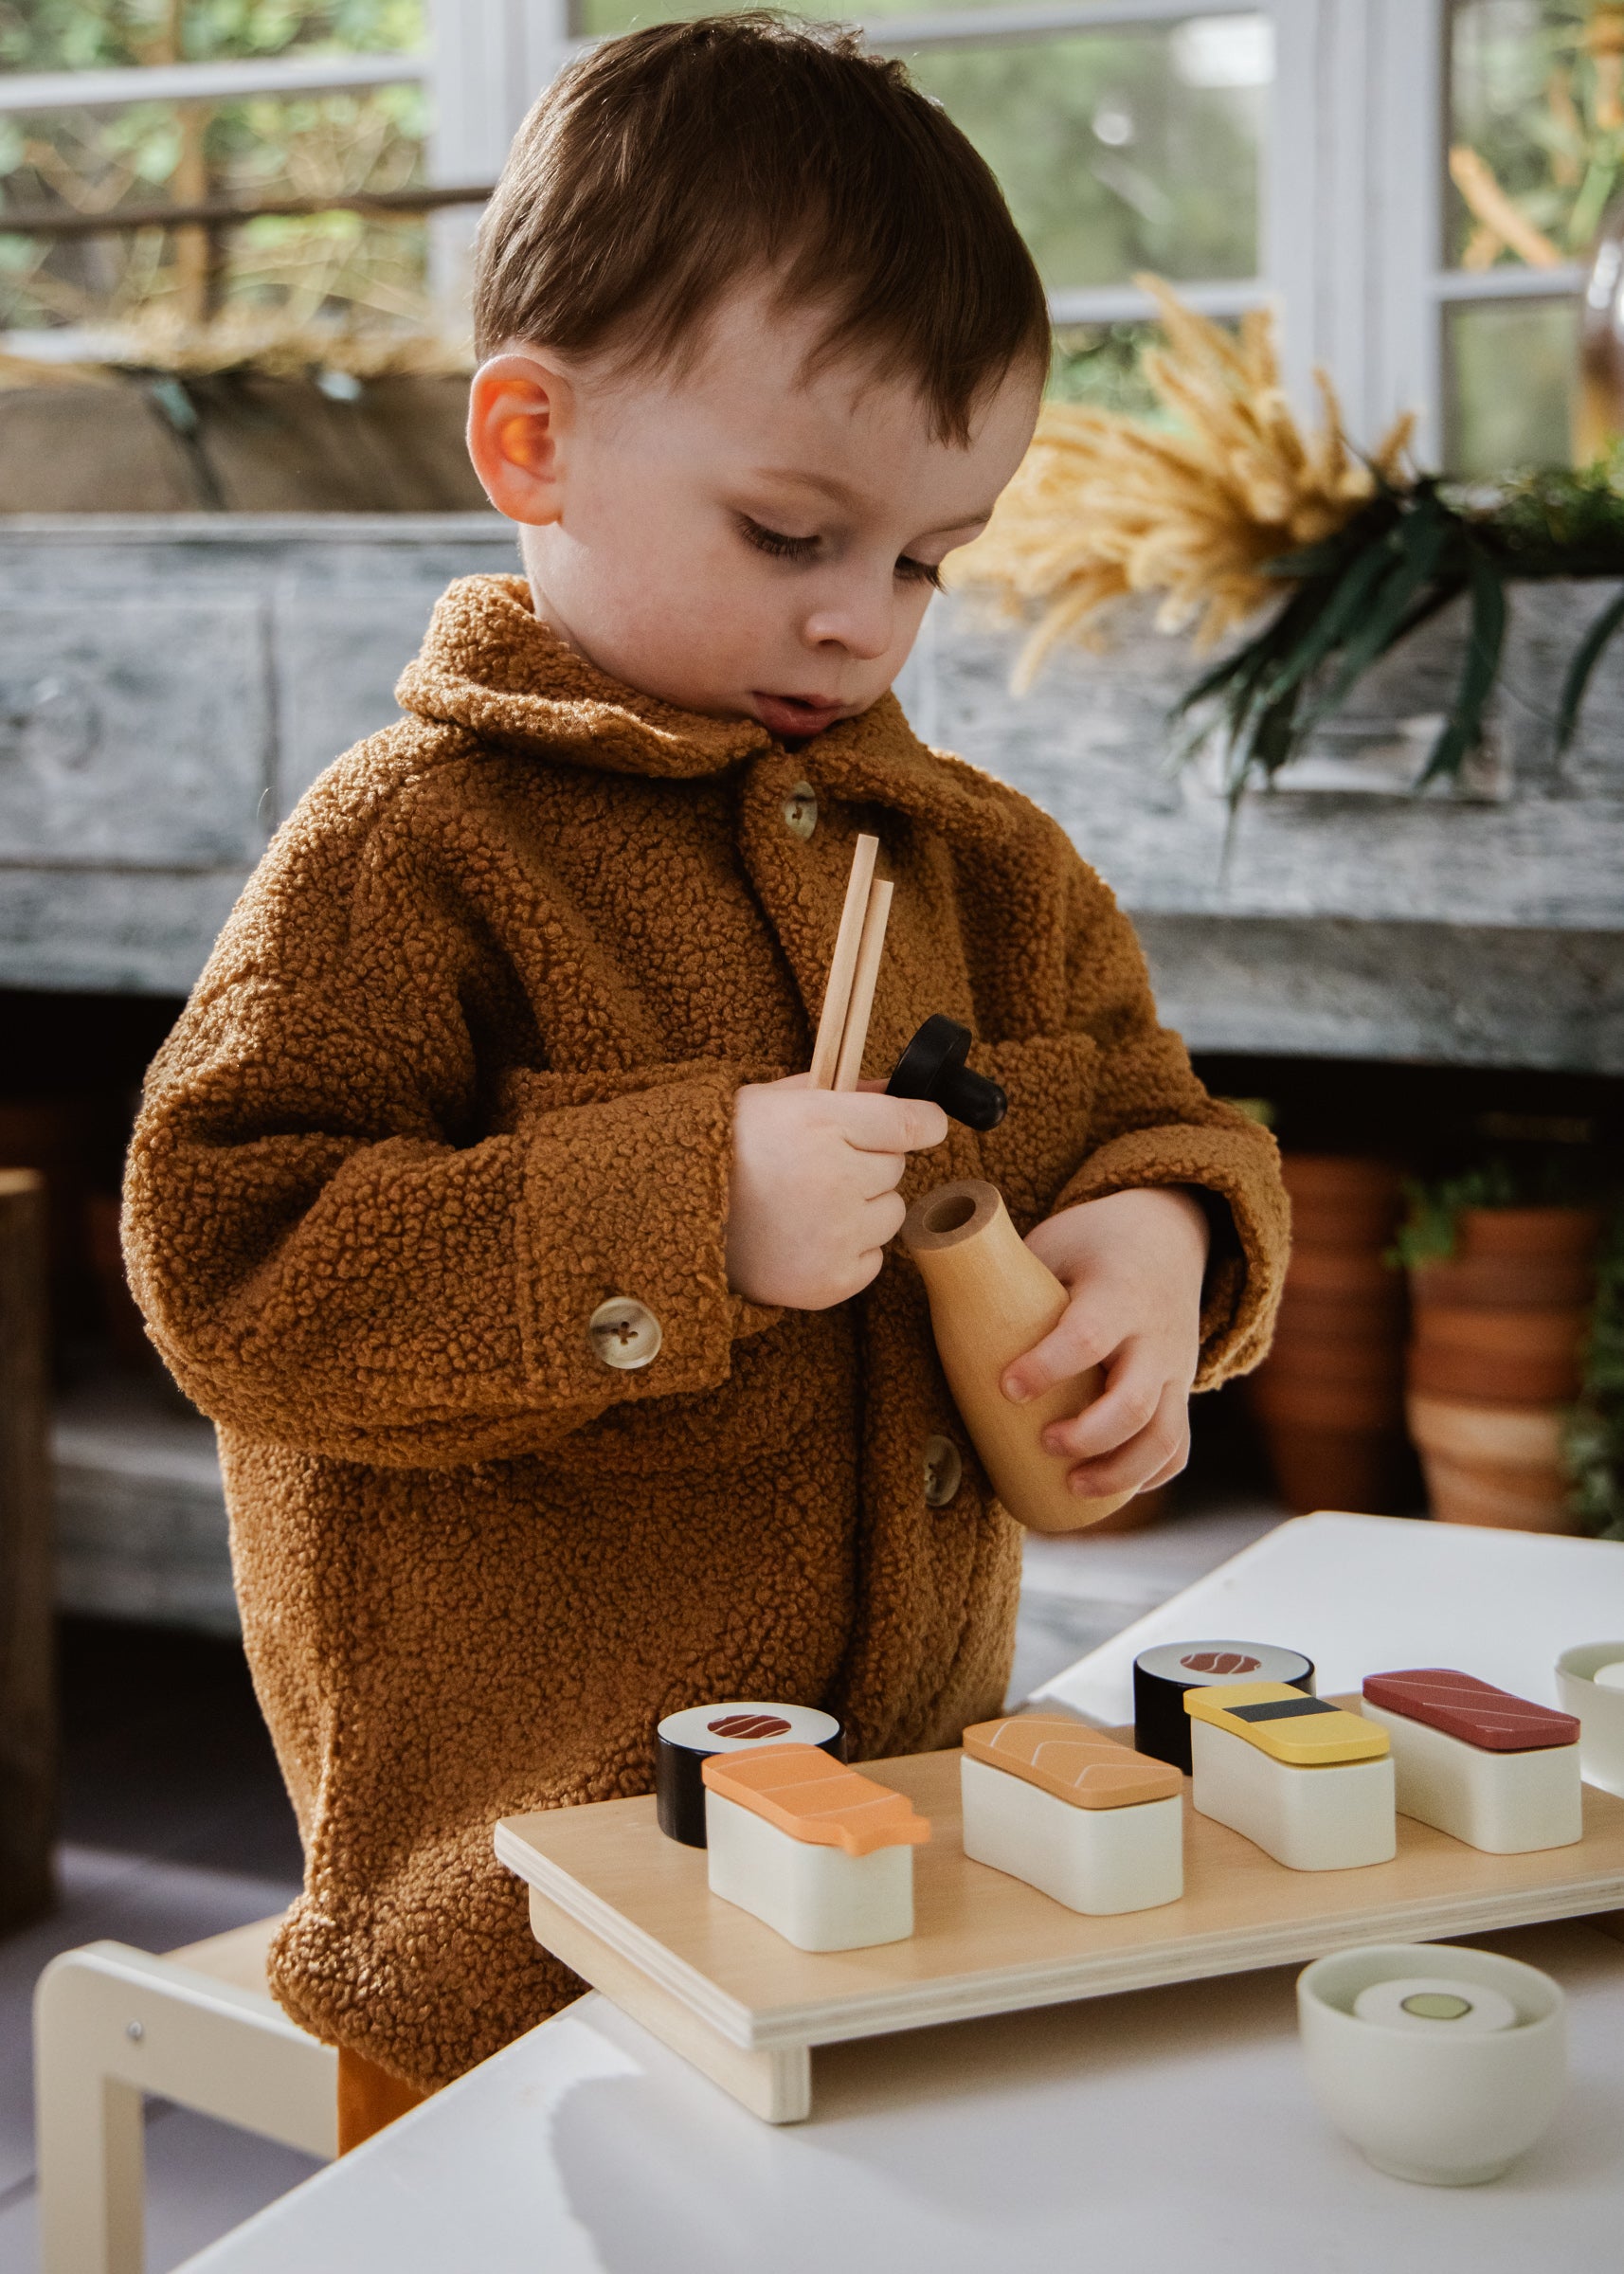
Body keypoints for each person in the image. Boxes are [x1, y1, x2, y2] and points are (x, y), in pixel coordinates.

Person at [124, 12, 1288, 2145]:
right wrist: (679, 1214)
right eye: (787, 532)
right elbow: (235, 1267)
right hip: (513, 1929)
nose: (862, 622)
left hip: (924, 1859)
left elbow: (1145, 1105)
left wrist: (1162, 1234)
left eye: (927, 556)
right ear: (530, 440)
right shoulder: (415, 846)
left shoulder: (989, 868)